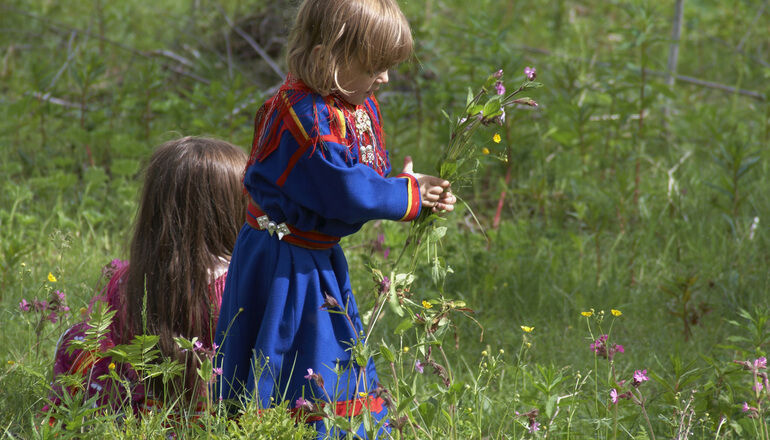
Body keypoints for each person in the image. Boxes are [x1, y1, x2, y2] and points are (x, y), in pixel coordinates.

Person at [214, 0, 456, 437]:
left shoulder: (347, 103)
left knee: (325, 345)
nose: (383, 78)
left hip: (315, 257)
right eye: (374, 66)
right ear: (328, 59)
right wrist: (409, 196)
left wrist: (402, 182)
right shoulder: (303, 117)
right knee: (294, 349)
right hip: (282, 263)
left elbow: (357, 176)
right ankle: (285, 427)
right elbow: (344, 191)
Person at [46, 136, 248, 418]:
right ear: (232, 207)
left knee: (77, 338)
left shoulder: (130, 279)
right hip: (218, 414)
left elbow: (109, 339)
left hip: (143, 410)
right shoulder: (240, 284)